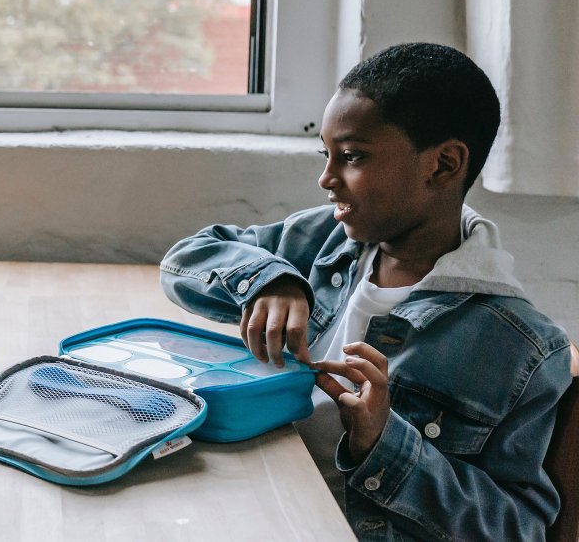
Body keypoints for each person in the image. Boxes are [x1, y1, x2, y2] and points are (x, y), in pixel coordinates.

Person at [159, 42, 572, 540]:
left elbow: (518, 528)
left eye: (351, 157)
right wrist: (270, 280)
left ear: (442, 164)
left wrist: (383, 441)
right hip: (258, 494)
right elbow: (187, 258)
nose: (327, 179)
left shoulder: (519, 350)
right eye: (327, 155)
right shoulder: (323, 241)